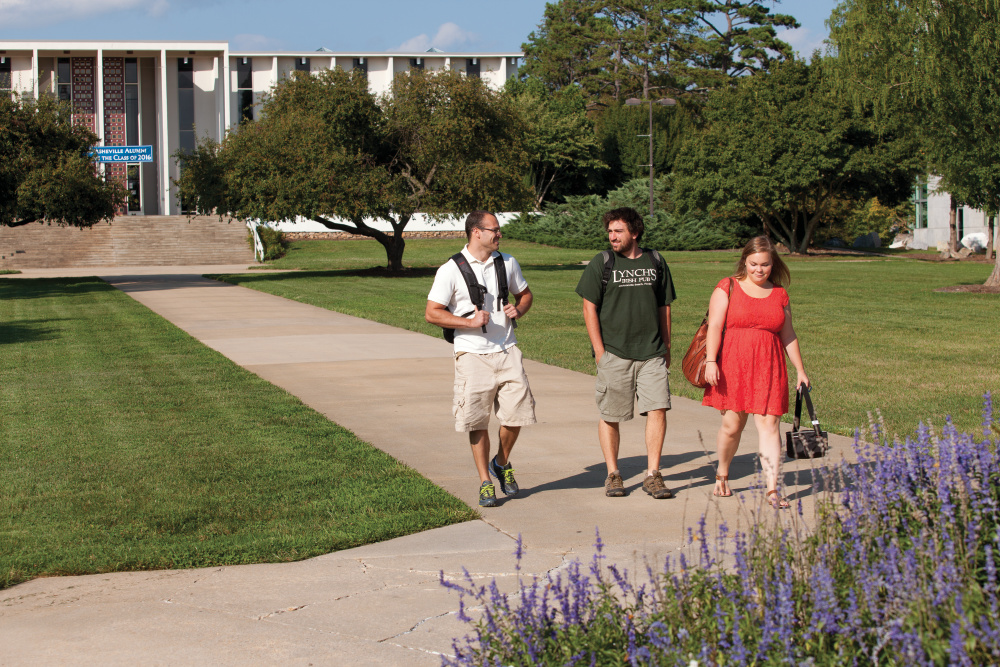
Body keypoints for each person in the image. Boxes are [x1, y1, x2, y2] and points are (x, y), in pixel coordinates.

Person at [425, 211, 536, 508]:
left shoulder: (508, 262)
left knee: (517, 415)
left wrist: (519, 310)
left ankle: (500, 462)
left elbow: (525, 294)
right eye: (495, 230)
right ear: (476, 232)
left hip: (507, 349)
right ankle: (485, 483)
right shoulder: (450, 269)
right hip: (471, 354)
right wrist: (469, 323)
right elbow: (432, 312)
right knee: (477, 420)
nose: (499, 235)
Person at [575, 207, 677, 499]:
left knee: (658, 408)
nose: (612, 237)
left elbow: (664, 306)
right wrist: (599, 351)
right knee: (611, 414)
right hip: (615, 353)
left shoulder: (655, 260)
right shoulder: (603, 262)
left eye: (618, 231)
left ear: (634, 232)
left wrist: (667, 346)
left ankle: (652, 474)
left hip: (651, 352)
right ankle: (613, 474)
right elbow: (589, 306)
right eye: (609, 231)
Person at [702, 236, 810, 509]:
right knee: (732, 426)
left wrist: (800, 370)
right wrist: (711, 361)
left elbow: (788, 334)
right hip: (733, 364)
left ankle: (773, 489)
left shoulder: (779, 294)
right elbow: (714, 326)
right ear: (744, 261)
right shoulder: (727, 287)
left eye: (765, 265)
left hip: (769, 365)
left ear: (773, 264)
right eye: (753, 264)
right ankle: (722, 473)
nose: (759, 270)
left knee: (770, 426)